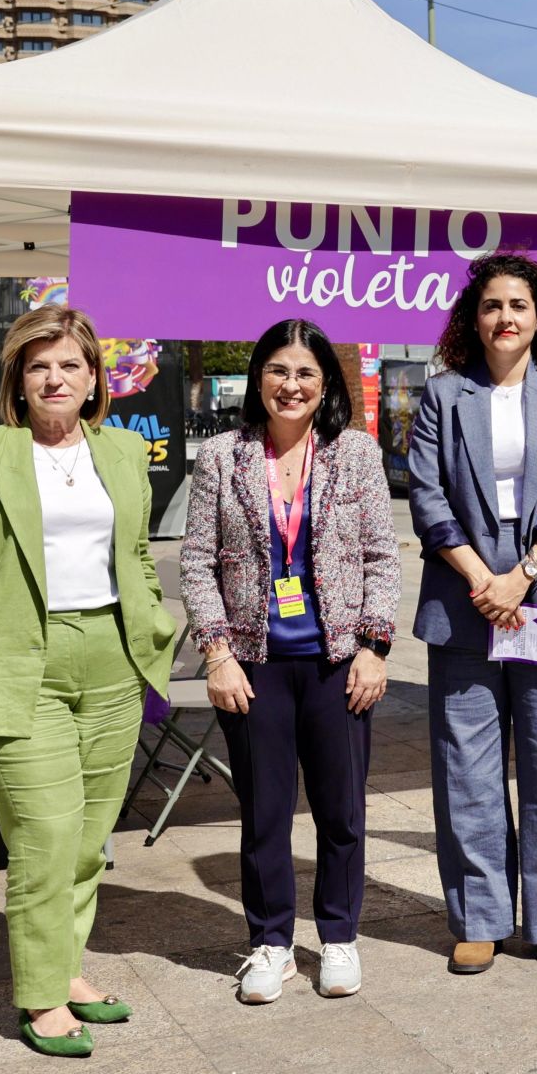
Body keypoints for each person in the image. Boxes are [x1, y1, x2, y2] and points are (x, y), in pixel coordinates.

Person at [0, 305, 177, 1058]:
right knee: (45, 836)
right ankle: (38, 993)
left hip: (112, 660)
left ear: (95, 377)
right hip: (15, 662)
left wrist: (151, 628)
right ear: (17, 381)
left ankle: (68, 968)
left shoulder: (124, 453)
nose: (54, 378)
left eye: (69, 364)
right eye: (38, 366)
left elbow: (137, 557)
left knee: (90, 841)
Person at [180, 319, 399, 1004]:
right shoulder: (222, 455)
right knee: (265, 814)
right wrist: (217, 654)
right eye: (278, 370)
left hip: (337, 664)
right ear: (259, 379)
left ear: (325, 383)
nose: (291, 385)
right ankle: (271, 944)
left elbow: (382, 559)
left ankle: (338, 939)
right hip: (255, 663)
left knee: (341, 812)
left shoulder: (356, 453)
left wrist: (374, 647)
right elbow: (196, 563)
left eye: (306, 372)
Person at [408, 252, 537, 976]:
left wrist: (522, 576)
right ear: (474, 317)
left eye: (518, 305)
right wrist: (481, 578)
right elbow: (426, 496)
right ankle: (479, 917)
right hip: (464, 602)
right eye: (492, 305)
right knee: (468, 769)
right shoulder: (442, 395)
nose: (505, 318)